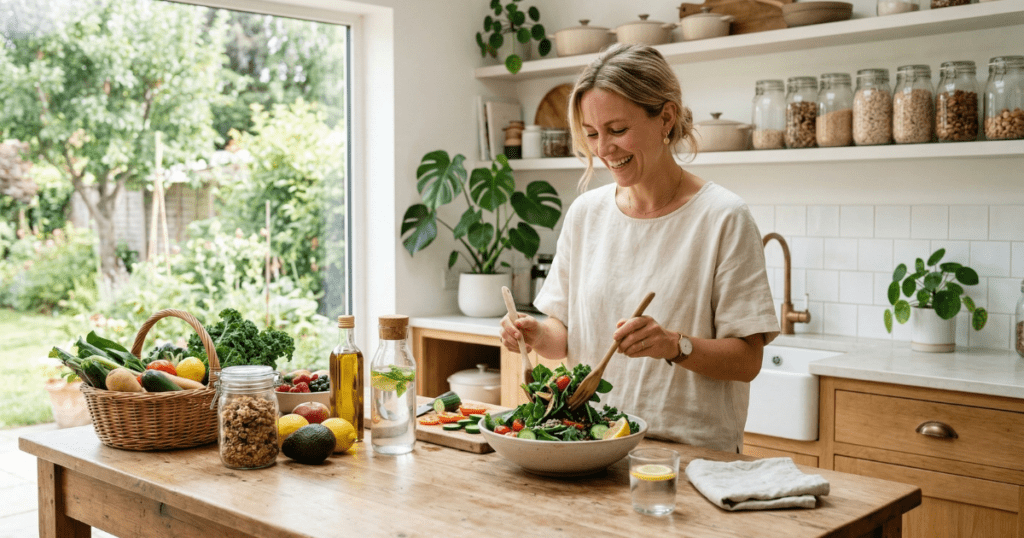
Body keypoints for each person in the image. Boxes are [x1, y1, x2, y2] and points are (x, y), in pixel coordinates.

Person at [499, 44, 779, 453]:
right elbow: (565, 337)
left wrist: (674, 345)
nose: (603, 149)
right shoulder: (585, 214)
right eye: (592, 134)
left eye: (616, 130)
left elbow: (747, 361)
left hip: (692, 457)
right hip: (593, 445)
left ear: (665, 117)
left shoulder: (723, 217)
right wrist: (536, 332)